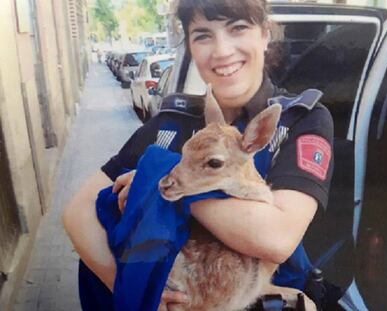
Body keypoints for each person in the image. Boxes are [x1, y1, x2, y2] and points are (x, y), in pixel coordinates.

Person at [63, 0, 334, 310]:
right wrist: (134, 288)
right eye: (203, 35)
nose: (221, 51)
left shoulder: (298, 120)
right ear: (190, 46)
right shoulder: (170, 124)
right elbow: (77, 213)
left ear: (264, 33)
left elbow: (276, 238)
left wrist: (158, 184)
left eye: (238, 28)